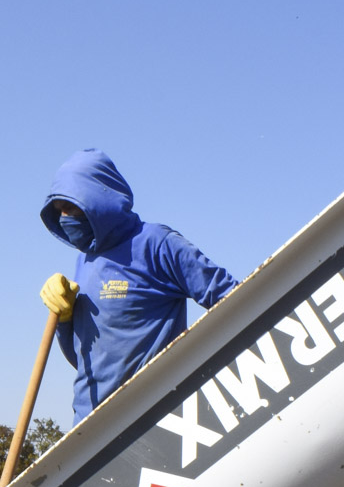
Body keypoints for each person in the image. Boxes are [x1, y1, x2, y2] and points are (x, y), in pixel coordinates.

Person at [39, 149, 237, 420]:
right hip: (89, 425)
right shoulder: (83, 263)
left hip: (154, 418)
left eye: (70, 207)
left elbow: (232, 299)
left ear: (95, 199)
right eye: (59, 210)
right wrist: (65, 320)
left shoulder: (156, 244)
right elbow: (84, 360)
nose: (64, 218)